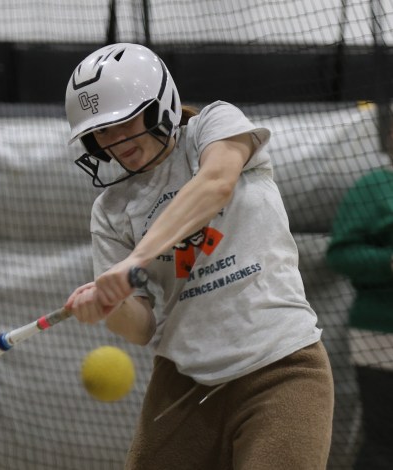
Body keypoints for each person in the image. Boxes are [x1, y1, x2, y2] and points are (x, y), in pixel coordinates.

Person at [63, 43, 334, 470]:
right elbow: (141, 326)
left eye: (123, 122)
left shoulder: (215, 124)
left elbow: (215, 184)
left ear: (161, 104)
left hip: (280, 367)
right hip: (183, 382)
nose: (114, 141)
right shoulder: (110, 210)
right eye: (101, 132)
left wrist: (137, 259)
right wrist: (110, 305)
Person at [326, 120, 393, 470]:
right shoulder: (374, 186)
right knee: (385, 444)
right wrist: (389, 263)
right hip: (381, 333)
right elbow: (340, 254)